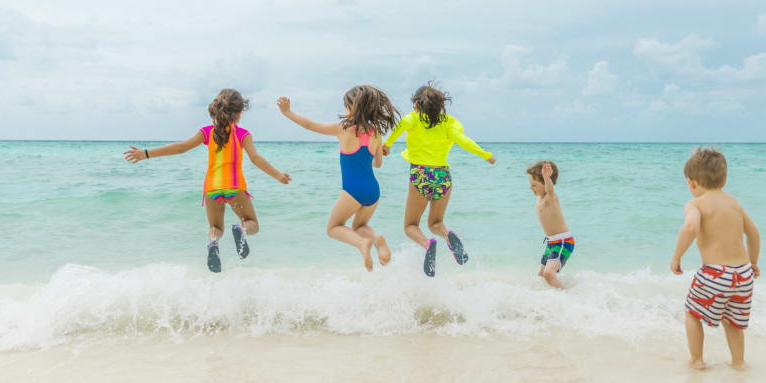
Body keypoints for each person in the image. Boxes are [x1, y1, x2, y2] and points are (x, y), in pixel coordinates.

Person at [123, 89, 291, 273]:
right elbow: (255, 159)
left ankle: (213, 242)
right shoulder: (243, 134)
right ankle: (241, 230)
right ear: (239, 113)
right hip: (234, 188)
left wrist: (146, 154)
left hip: (212, 190)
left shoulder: (208, 132)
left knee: (216, 227)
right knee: (251, 223)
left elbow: (181, 147)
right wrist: (278, 175)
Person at [276, 85, 398, 271]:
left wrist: (288, 112)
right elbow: (377, 164)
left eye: (345, 106)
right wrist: (380, 150)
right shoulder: (377, 133)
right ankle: (376, 240)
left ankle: (361, 244)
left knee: (333, 228)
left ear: (353, 107)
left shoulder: (344, 129)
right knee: (360, 225)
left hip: (352, 190)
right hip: (373, 190)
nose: (344, 110)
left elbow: (310, 125)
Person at [382, 82, 496, 277]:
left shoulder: (412, 118)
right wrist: (485, 155)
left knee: (410, 226)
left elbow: (396, 133)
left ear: (416, 105)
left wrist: (387, 146)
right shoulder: (450, 123)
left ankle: (428, 244)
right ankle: (447, 235)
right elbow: (464, 141)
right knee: (435, 223)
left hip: (421, 174)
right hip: (443, 175)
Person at [669, 147, 761, 370]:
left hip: (715, 274)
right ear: (725, 180)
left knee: (692, 313)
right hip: (743, 274)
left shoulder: (695, 204)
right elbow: (753, 234)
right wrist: (754, 263)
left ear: (691, 183)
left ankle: (697, 360)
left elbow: (691, 227)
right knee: (733, 322)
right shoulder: (734, 203)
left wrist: (676, 257)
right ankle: (739, 363)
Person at [525, 161, 575, 289]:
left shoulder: (550, 198)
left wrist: (547, 177)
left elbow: (550, 189)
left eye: (534, 185)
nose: (531, 188)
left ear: (545, 184)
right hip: (551, 243)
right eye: (530, 185)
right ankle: (548, 300)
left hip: (563, 242)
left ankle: (567, 297)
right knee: (541, 275)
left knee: (548, 273)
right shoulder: (539, 198)